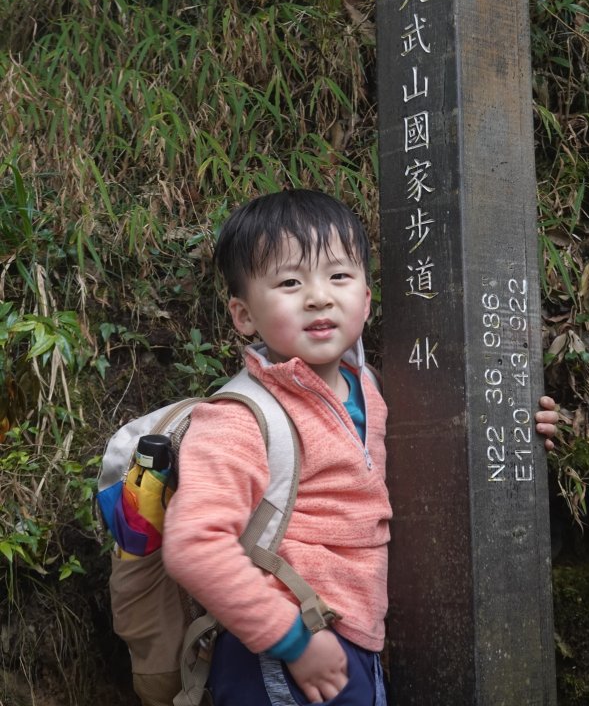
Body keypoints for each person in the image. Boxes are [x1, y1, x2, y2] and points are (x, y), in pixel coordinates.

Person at [163, 190, 558, 706]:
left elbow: (443, 452)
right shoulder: (239, 418)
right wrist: (292, 640)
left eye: (339, 276)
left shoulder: (371, 388)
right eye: (288, 282)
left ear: (367, 299)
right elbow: (195, 546)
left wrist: (516, 429)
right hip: (281, 650)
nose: (318, 297)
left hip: (354, 640)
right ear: (243, 315)